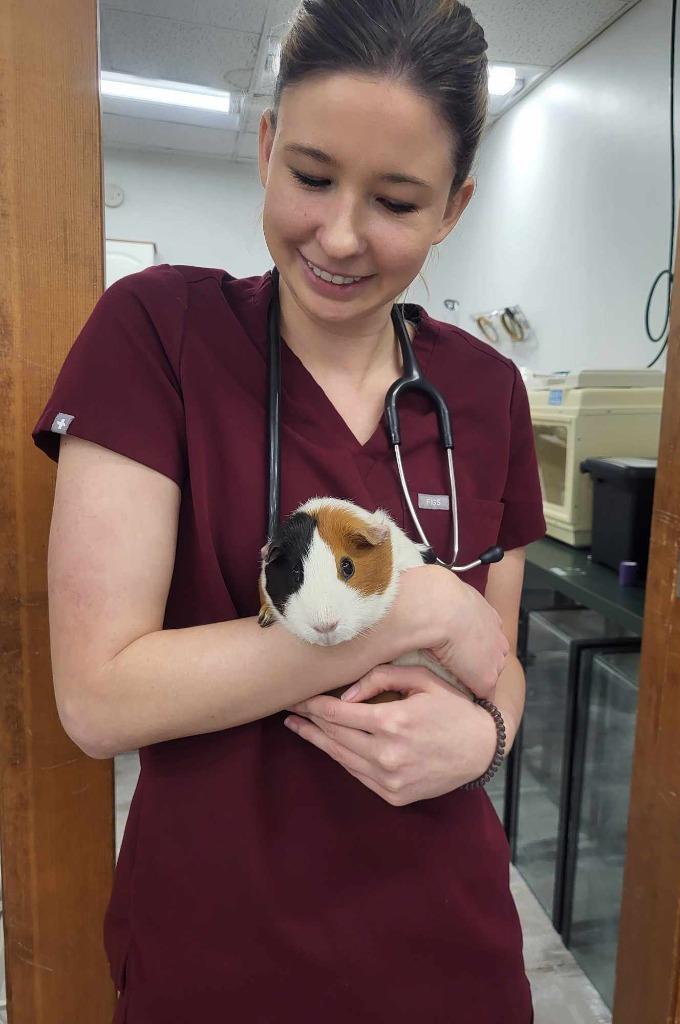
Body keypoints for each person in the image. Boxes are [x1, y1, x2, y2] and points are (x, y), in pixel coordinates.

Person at [31, 1, 546, 1020]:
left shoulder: (486, 392)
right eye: (311, 176)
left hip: (448, 949)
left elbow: (499, 663)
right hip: (220, 954)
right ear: (265, 146)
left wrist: (488, 737)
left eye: (398, 201)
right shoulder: (158, 333)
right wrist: (407, 612)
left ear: (455, 206)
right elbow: (98, 697)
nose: (341, 235)